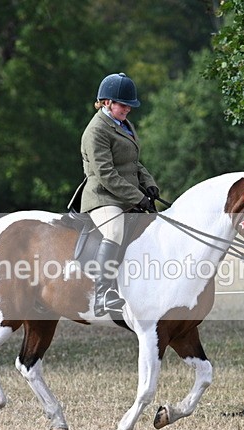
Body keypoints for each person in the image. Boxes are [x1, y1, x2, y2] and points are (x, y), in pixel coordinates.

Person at [80, 72, 160, 317]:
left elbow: (134, 163)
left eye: (129, 105)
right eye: (123, 104)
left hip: (127, 194)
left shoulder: (123, 124)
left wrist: (149, 184)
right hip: (103, 196)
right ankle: (102, 294)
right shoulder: (96, 130)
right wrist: (137, 197)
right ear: (106, 102)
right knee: (114, 231)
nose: (128, 109)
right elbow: (106, 174)